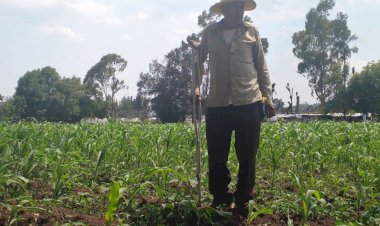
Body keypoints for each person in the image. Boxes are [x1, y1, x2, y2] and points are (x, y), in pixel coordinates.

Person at [190, 0, 276, 214]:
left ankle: (243, 197)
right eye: (233, 7)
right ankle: (221, 196)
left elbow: (262, 67)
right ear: (224, 10)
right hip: (218, 103)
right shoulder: (210, 33)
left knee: (248, 154)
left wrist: (269, 98)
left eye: (240, 7)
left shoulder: (251, 31)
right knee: (217, 155)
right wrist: (196, 88)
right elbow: (198, 63)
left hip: (249, 101)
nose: (238, 11)